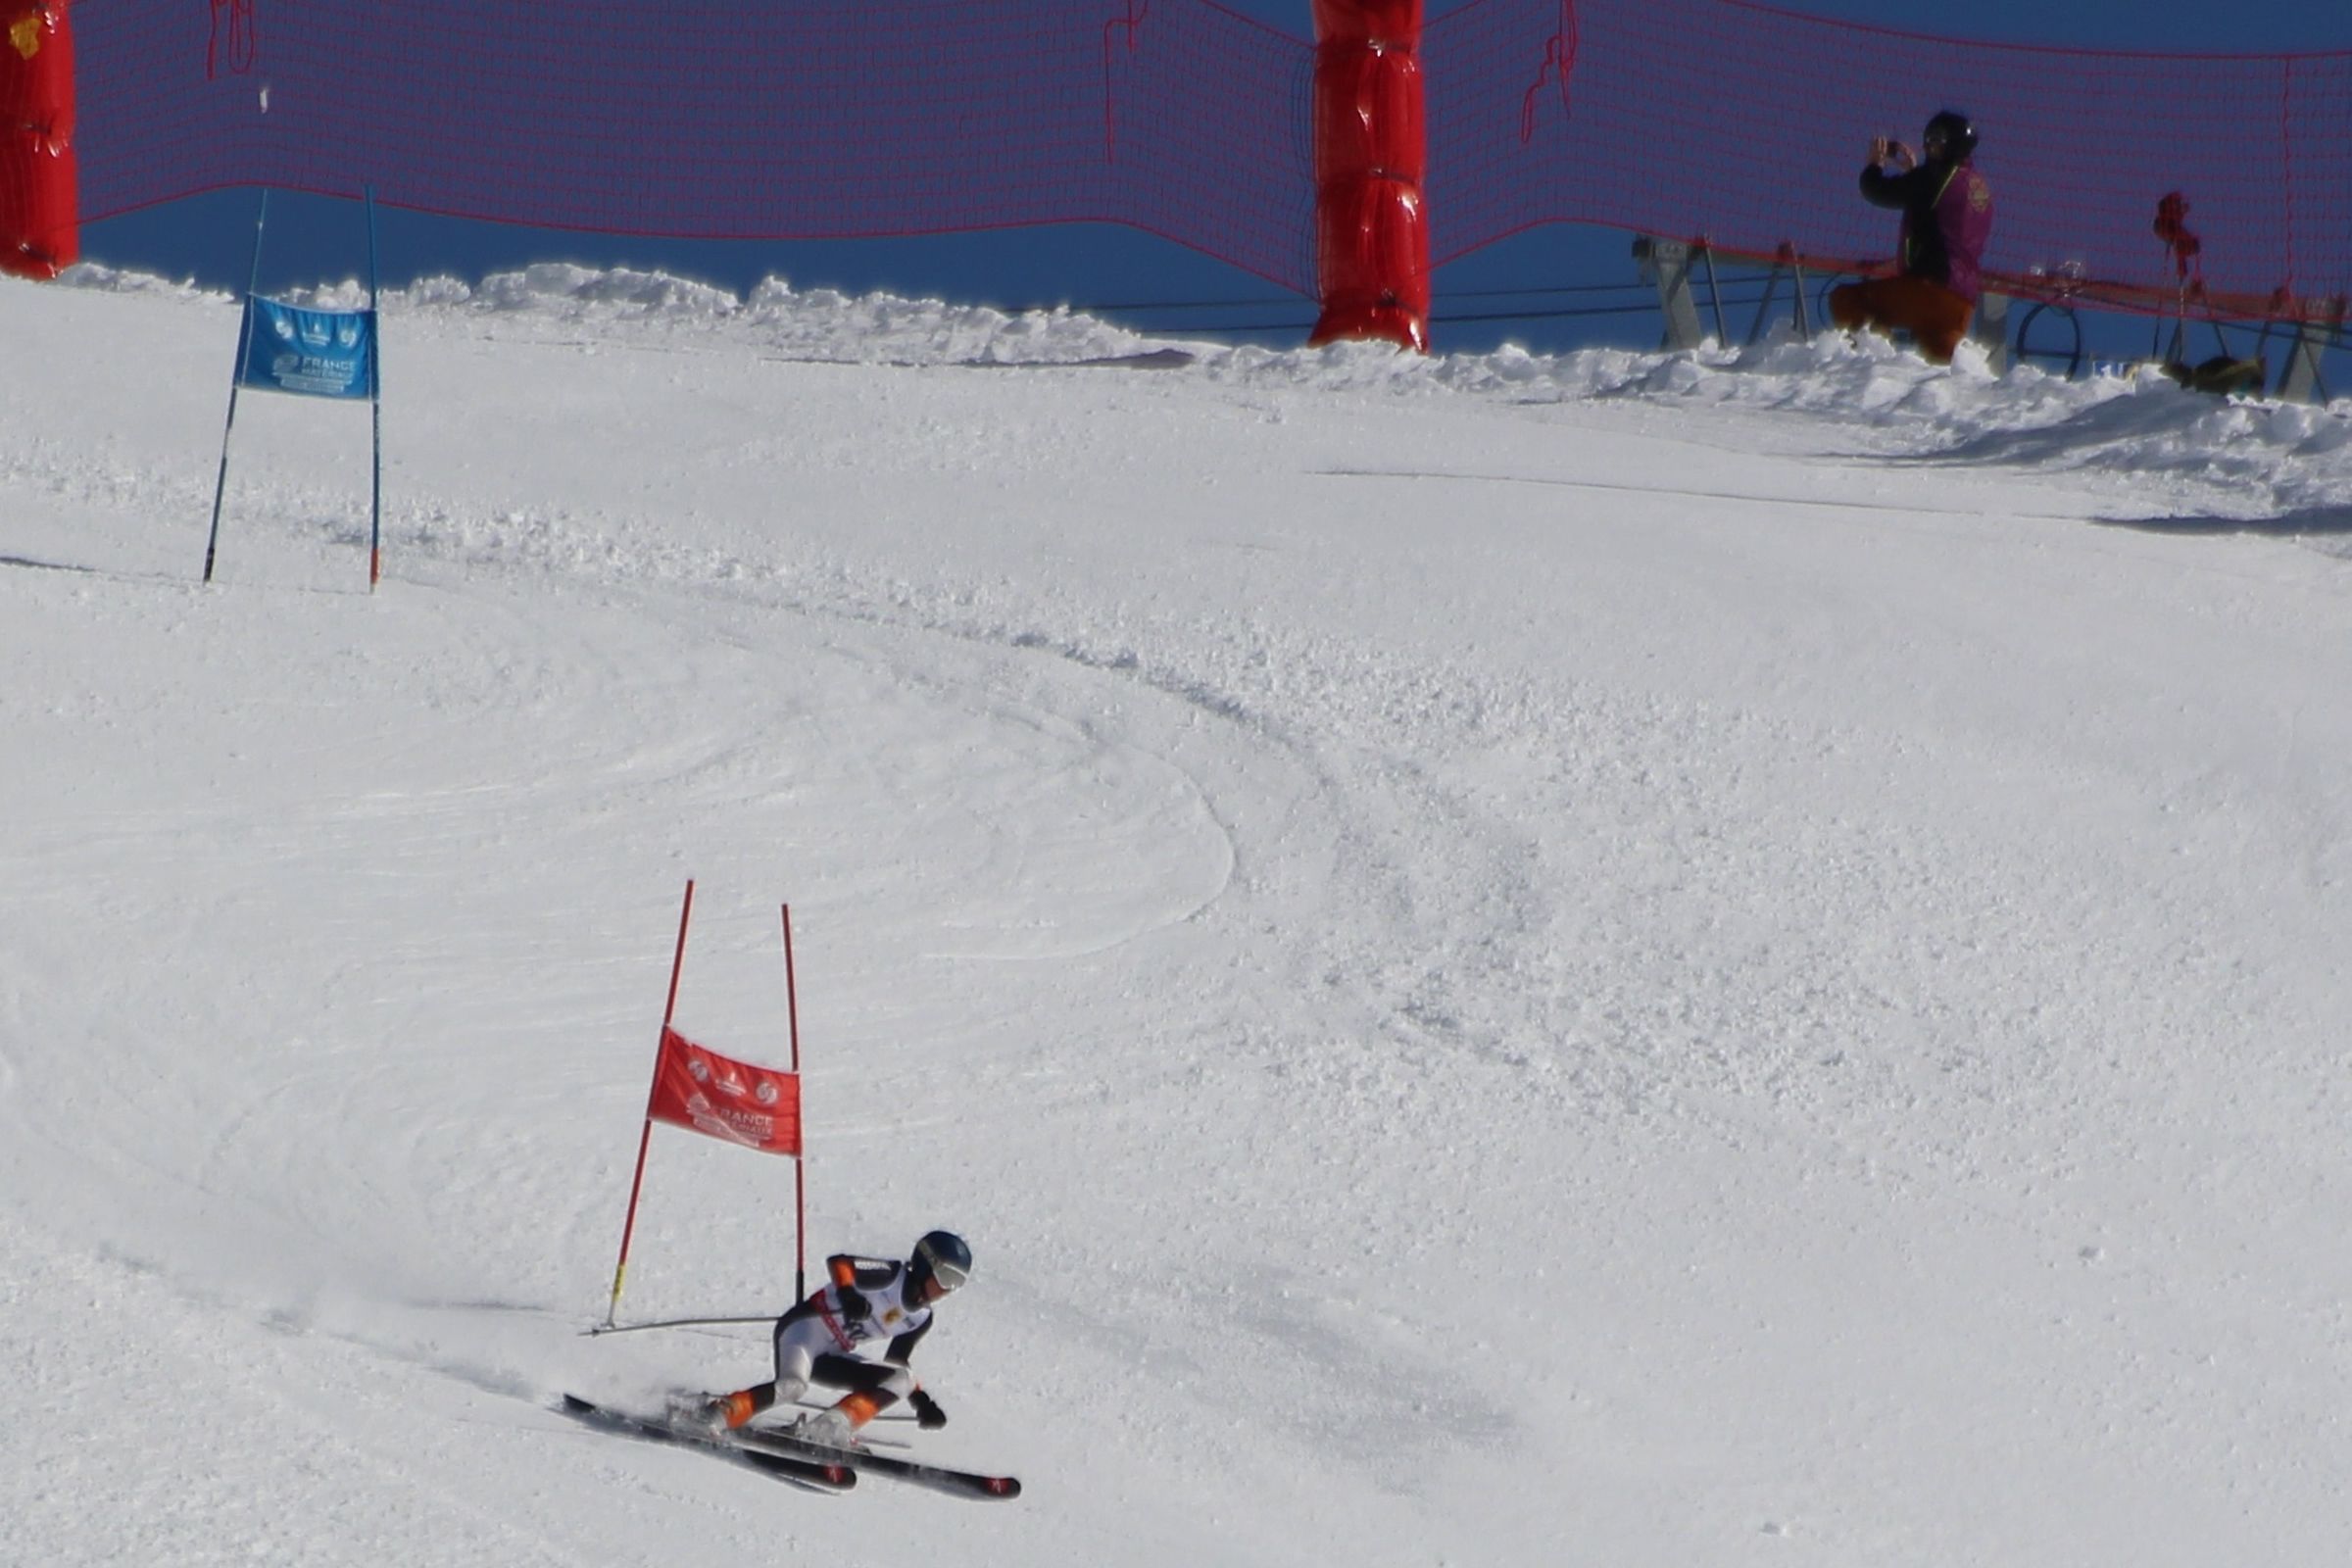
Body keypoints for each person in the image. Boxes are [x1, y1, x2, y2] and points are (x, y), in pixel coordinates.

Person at [698, 1229, 972, 1446]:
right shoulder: (891, 1277)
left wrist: (920, 1401)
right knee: (792, 1387)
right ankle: (718, 1414)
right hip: (804, 1330)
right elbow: (841, 1263)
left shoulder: (921, 1318)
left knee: (903, 1378)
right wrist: (848, 1294)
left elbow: (897, 1360)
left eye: (956, 1284)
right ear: (926, 1265)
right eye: (946, 1277)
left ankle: (829, 1427)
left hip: (832, 1356)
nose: (946, 1290)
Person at [1828, 110, 1994, 365]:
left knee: (1847, 300)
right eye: (1928, 140)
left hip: (1929, 290)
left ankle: (1871, 361)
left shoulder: (1932, 178)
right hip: (1962, 302)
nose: (1928, 146)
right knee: (1938, 366)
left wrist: (1875, 164)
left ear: (1954, 145)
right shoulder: (1975, 185)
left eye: (1936, 140)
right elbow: (1936, 215)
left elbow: (1877, 191)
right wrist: (1912, 172)